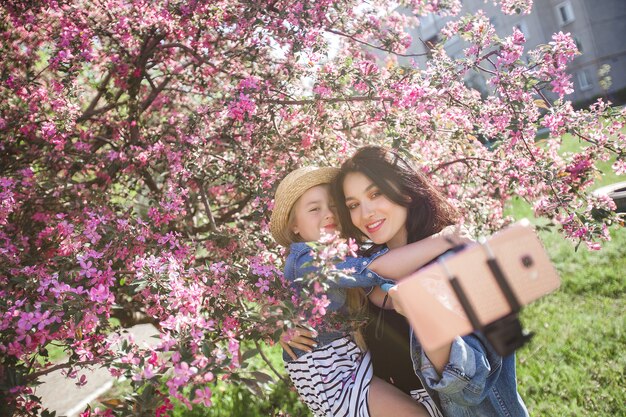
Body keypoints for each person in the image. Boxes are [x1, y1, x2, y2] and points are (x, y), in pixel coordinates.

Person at [331, 145, 530, 417]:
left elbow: (470, 387)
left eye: (376, 193)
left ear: (405, 191)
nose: (365, 213)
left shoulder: (463, 260)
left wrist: (424, 315)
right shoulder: (369, 271)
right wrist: (290, 329)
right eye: (353, 204)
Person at [270, 166, 467, 417]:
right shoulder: (307, 257)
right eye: (314, 209)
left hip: (348, 365)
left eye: (333, 205)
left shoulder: (342, 255)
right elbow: (375, 270)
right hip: (328, 373)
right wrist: (446, 239)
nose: (328, 214)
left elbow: (374, 290)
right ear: (294, 225)